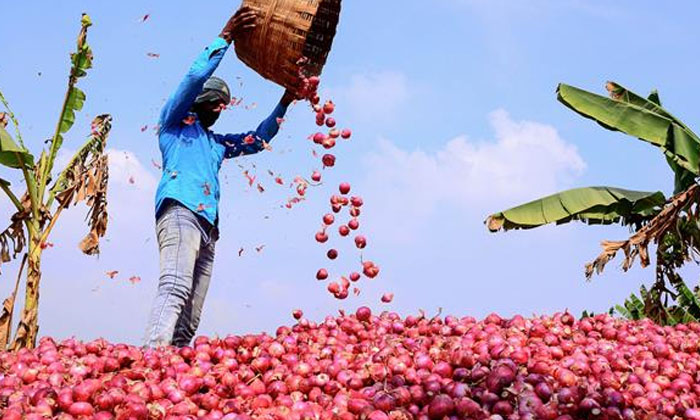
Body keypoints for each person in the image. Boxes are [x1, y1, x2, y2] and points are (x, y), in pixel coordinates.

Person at [144, 6, 297, 347]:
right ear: (200, 103)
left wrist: (286, 101)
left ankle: (176, 366)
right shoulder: (172, 125)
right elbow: (192, 80)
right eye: (215, 104)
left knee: (192, 310)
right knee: (175, 285)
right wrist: (225, 36)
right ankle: (153, 357)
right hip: (181, 210)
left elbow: (257, 140)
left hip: (208, 226)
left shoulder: (215, 144)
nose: (218, 112)